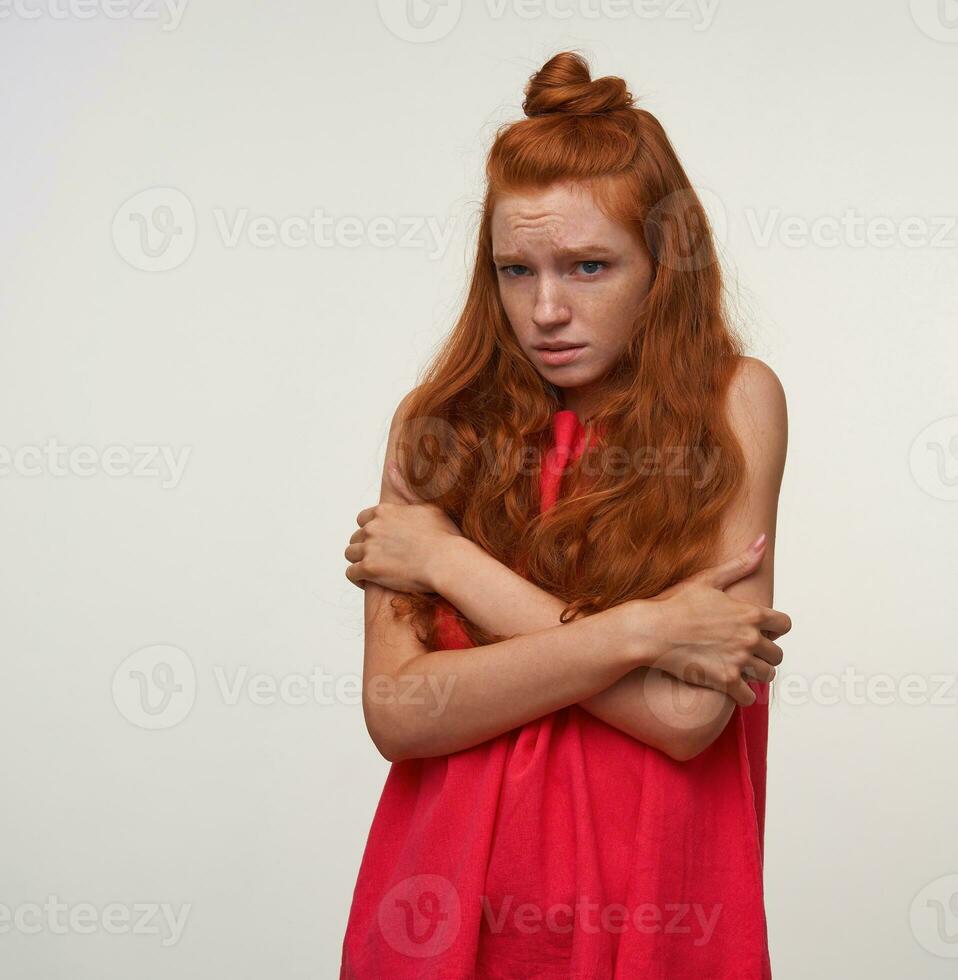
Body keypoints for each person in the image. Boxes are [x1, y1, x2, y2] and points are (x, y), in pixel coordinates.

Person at [339, 50, 792, 979]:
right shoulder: (436, 427)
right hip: (446, 906)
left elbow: (681, 716)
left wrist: (453, 566)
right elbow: (399, 713)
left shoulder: (736, 403)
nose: (546, 309)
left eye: (590, 265)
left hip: (656, 904)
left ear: (664, 261)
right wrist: (645, 630)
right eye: (516, 269)